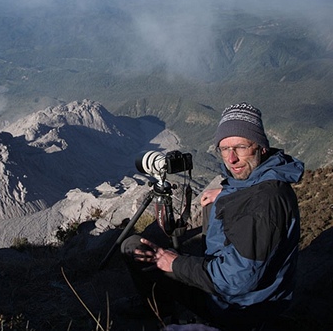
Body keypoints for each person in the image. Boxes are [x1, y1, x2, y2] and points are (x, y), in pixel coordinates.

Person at [120, 102, 304, 330]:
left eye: (241, 147)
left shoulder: (264, 202)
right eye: (225, 149)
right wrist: (228, 192)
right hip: (246, 292)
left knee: (133, 246)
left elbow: (237, 280)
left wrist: (174, 264)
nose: (232, 158)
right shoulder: (264, 179)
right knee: (212, 206)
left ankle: (162, 313)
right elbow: (252, 200)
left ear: (261, 147)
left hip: (236, 307)